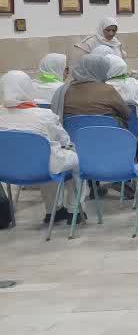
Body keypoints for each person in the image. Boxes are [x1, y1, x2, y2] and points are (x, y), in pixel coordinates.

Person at [1, 70, 81, 223]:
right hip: (42, 168)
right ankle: (74, 209)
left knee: (45, 157)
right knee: (71, 160)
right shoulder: (44, 115)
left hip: (7, 170)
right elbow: (65, 140)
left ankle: (52, 211)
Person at [53, 53, 130, 127]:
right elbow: (126, 114)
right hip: (108, 134)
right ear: (100, 70)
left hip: (72, 134)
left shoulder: (63, 90)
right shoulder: (108, 90)